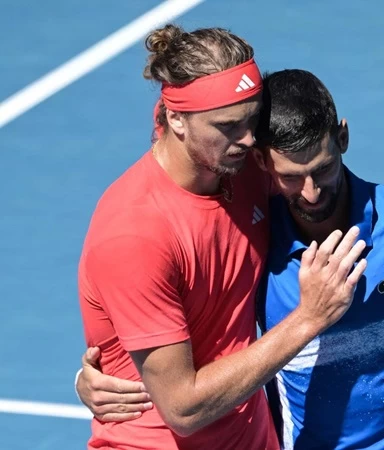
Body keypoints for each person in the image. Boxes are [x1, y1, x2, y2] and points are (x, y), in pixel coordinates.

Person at [77, 69, 384, 450]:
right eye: (290, 177)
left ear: (343, 137)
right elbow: (189, 344)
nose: (311, 193)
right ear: (262, 163)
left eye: (323, 168)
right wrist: (100, 373)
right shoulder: (253, 243)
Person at [77, 24, 368, 450]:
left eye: (252, 119)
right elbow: (183, 409)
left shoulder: (239, 166)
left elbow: (318, 200)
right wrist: (308, 319)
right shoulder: (134, 233)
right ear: (176, 119)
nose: (249, 139)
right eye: (229, 125)